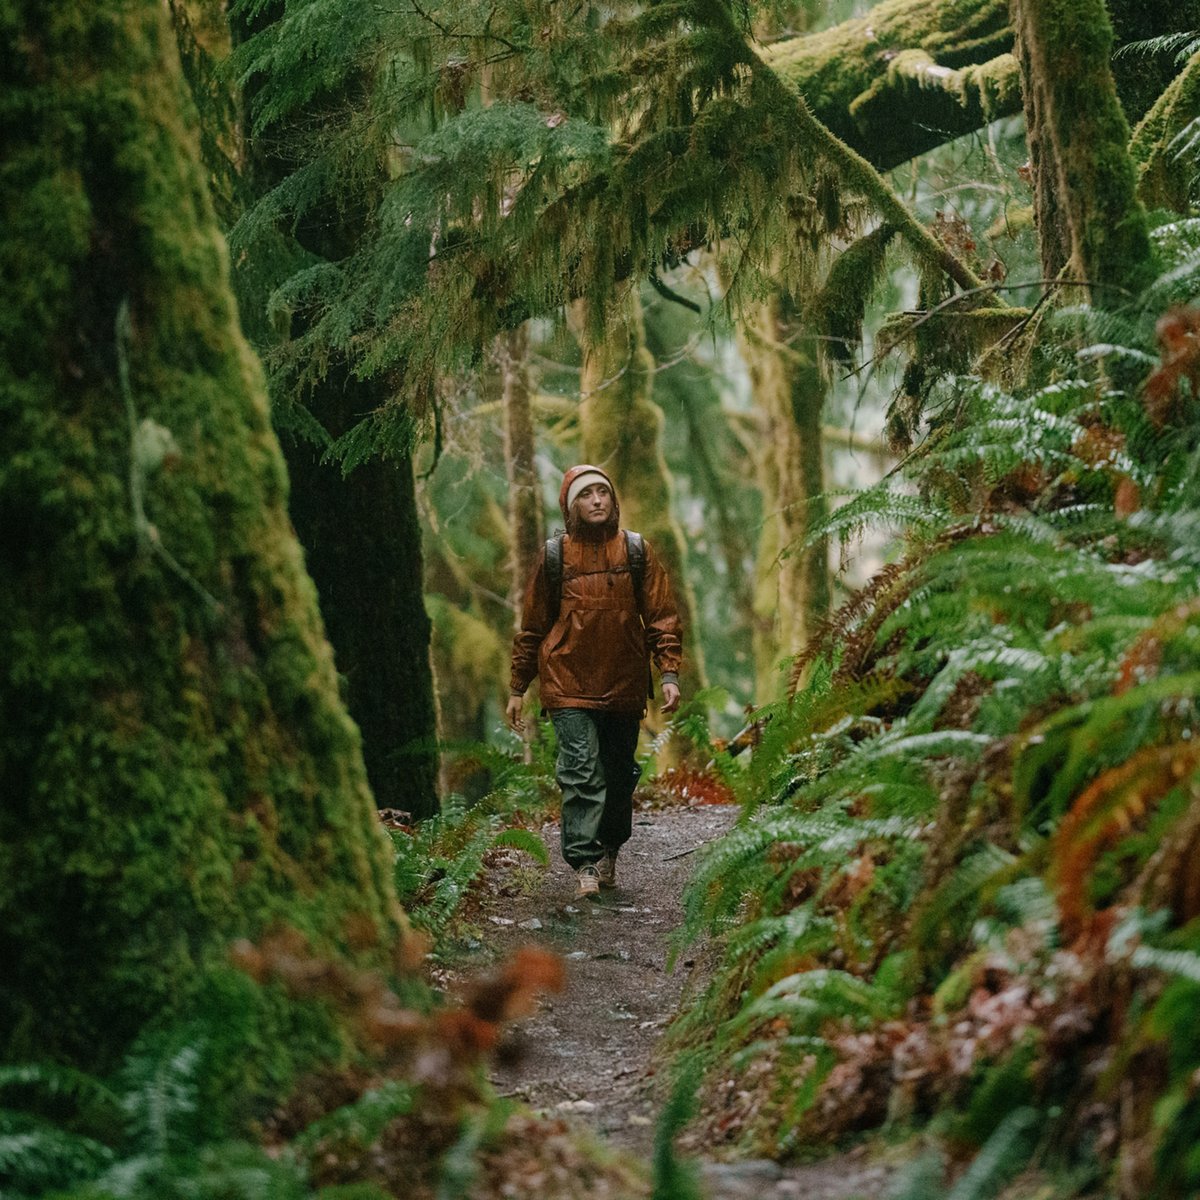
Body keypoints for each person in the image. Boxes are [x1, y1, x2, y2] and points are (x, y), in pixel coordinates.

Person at [506, 464, 683, 898]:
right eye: (586, 495)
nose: (597, 500)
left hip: (622, 680)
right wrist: (517, 686)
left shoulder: (637, 551)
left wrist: (670, 674)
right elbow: (532, 627)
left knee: (618, 773)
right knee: (581, 769)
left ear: (614, 499)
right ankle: (583, 862)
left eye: (603, 492)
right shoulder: (555, 557)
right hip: (567, 680)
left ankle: (609, 847)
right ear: (571, 507)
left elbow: (662, 617)